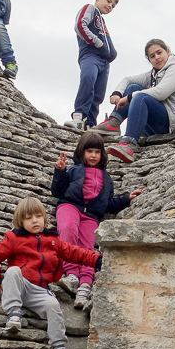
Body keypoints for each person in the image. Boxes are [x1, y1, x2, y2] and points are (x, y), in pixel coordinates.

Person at [0, 197, 102, 349]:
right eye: (29, 217)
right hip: (19, 285)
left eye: (38, 216)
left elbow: (74, 253)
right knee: (13, 270)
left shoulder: (52, 241)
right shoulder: (14, 238)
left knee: (53, 305)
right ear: (20, 221)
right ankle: (14, 312)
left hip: (39, 290)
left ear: (44, 218)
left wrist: (97, 260)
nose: (35, 220)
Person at [52, 131, 140, 309]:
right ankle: (71, 276)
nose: (93, 155)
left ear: (102, 155)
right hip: (70, 206)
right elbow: (57, 191)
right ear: (81, 152)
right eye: (89, 151)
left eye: (97, 152)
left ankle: (85, 284)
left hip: (91, 215)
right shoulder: (73, 170)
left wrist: (126, 199)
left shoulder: (107, 180)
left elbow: (108, 203)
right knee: (68, 230)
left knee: (88, 245)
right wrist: (60, 172)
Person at [96, 39, 175, 164]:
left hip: (173, 122)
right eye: (152, 56)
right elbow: (128, 80)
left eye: (159, 52)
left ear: (168, 51)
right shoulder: (154, 73)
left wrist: (129, 97)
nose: (157, 58)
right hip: (157, 123)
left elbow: (160, 93)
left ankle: (129, 144)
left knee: (140, 97)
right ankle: (113, 123)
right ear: (149, 60)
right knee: (133, 87)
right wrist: (117, 93)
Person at [64, 0, 119, 132]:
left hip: (105, 61)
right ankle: (79, 116)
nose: (110, 6)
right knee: (88, 79)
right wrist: (97, 43)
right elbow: (80, 26)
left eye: (113, 5)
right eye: (108, 1)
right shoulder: (90, 9)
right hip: (90, 55)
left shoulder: (102, 20)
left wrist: (111, 53)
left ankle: (90, 123)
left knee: (98, 93)